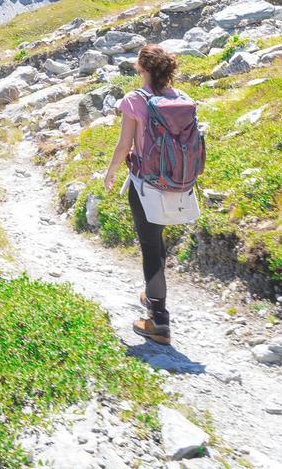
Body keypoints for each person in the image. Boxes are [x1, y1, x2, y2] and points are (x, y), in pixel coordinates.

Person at [102, 43, 196, 345]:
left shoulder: (135, 100)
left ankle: (158, 321)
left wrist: (111, 171)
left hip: (146, 185)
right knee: (157, 242)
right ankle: (152, 294)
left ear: (142, 70)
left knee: (150, 249)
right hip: (177, 183)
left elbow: (124, 145)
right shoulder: (181, 98)